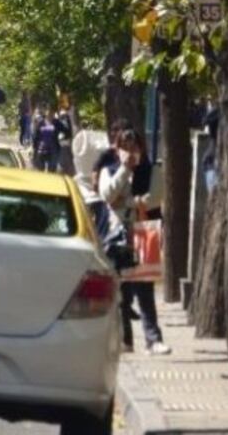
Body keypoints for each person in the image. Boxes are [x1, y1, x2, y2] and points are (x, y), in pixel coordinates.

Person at [99, 128, 171, 356]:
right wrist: (124, 170)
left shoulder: (152, 171)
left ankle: (154, 339)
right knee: (120, 291)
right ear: (116, 150)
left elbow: (154, 199)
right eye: (125, 148)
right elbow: (108, 195)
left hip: (144, 231)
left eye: (135, 148)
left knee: (145, 291)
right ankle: (125, 340)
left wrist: (126, 201)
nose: (131, 153)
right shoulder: (109, 170)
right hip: (116, 235)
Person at [31, 107, 66, 172]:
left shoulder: (57, 123)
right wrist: (35, 147)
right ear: (46, 114)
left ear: (53, 114)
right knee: (40, 170)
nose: (50, 114)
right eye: (49, 113)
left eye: (52, 113)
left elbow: (66, 131)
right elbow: (36, 136)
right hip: (41, 149)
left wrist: (63, 138)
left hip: (53, 149)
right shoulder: (41, 123)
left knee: (52, 169)